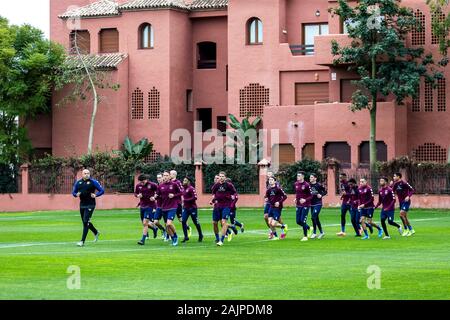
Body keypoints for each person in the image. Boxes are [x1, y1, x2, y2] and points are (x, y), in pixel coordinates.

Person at [72, 169, 104, 247]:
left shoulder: (93, 182)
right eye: (85, 173)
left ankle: (82, 241)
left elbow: (102, 190)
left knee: (86, 221)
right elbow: (73, 192)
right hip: (82, 204)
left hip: (90, 204)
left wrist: (96, 195)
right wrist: (76, 195)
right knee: (85, 222)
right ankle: (96, 232)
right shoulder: (78, 182)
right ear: (82, 174)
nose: (87, 174)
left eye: (88, 173)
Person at [155, 171, 182, 246]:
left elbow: (181, 192)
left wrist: (174, 195)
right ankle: (173, 238)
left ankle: (175, 236)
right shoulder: (160, 186)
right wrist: (154, 197)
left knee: (169, 223)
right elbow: (157, 195)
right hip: (164, 208)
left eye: (167, 175)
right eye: (164, 175)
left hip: (173, 206)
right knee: (167, 226)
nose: (165, 177)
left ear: (170, 176)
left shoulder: (174, 184)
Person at [211, 171, 237, 246]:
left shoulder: (229, 185)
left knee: (223, 222)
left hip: (226, 206)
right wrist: (212, 200)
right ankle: (218, 238)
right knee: (214, 223)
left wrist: (233, 197)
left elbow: (234, 193)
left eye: (222, 176)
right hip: (217, 206)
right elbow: (213, 194)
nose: (221, 178)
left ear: (225, 177)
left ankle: (221, 241)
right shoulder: (216, 185)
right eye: (220, 176)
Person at [135, 174, 159, 245]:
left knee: (145, 223)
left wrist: (154, 197)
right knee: (144, 223)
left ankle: (142, 240)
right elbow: (135, 193)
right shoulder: (138, 186)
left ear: (146, 179)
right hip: (142, 206)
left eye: (143, 182)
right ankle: (154, 228)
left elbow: (158, 191)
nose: (141, 183)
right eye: (140, 182)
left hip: (150, 206)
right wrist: (137, 195)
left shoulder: (152, 185)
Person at [181, 176, 203, 243]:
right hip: (186, 208)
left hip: (192, 208)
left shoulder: (191, 188)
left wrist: (186, 200)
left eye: (185, 180)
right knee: (183, 221)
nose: (183, 181)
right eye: (183, 180)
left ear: (188, 181)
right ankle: (186, 236)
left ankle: (200, 235)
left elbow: (195, 197)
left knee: (195, 222)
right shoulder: (183, 189)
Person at [171, 170, 191, 238]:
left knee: (180, 219)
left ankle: (188, 228)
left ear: (174, 175)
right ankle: (170, 235)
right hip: (170, 204)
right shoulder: (169, 182)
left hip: (177, 203)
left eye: (170, 174)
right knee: (169, 219)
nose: (169, 175)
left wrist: (182, 201)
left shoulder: (178, 182)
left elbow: (182, 191)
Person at [294, 171, 312, 242]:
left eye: (299, 176)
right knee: (298, 221)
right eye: (297, 176)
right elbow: (297, 193)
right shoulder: (296, 184)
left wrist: (305, 200)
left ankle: (305, 236)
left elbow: (311, 195)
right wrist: (296, 198)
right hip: (298, 205)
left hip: (305, 205)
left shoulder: (307, 185)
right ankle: (309, 228)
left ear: (303, 176)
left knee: (302, 221)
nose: (297, 177)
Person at [309, 173, 327, 239]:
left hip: (318, 203)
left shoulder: (319, 185)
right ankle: (320, 232)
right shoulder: (308, 185)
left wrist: (321, 195)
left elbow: (325, 191)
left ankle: (314, 232)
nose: (310, 178)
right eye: (310, 177)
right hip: (311, 204)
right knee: (315, 218)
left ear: (315, 178)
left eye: (311, 177)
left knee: (313, 216)